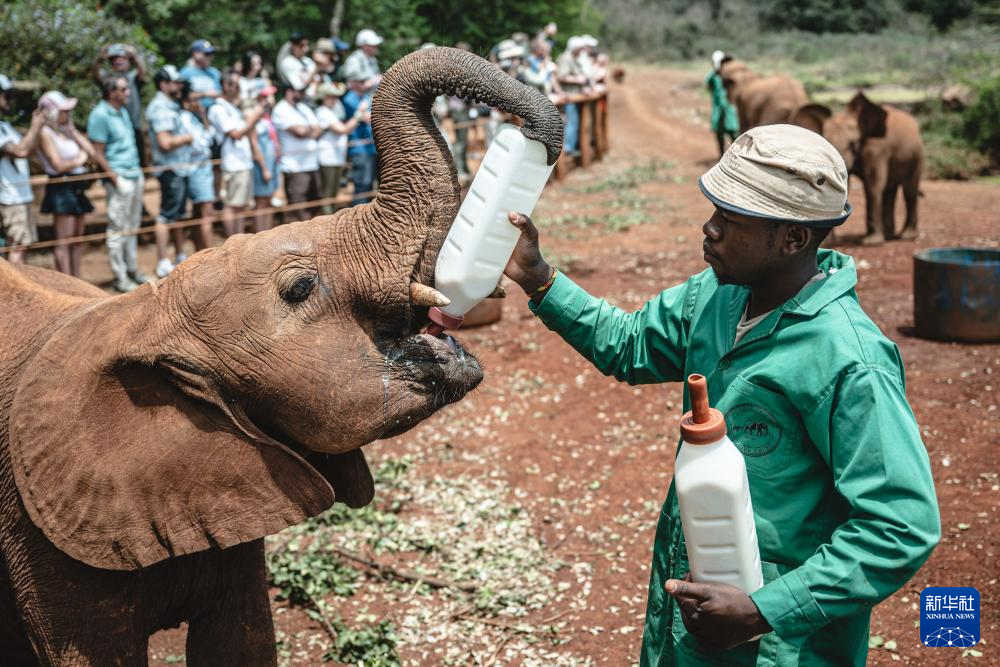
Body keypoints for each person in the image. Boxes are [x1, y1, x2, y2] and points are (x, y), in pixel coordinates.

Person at [502, 125, 940, 666]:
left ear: (793, 238)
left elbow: (901, 524)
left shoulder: (848, 359)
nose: (708, 228)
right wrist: (540, 278)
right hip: (690, 620)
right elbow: (630, 344)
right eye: (715, 210)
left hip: (780, 646)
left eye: (731, 220)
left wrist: (765, 609)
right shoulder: (716, 295)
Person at [88, 74, 149, 292]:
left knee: (132, 227)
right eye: (123, 89)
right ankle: (120, 275)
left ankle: (132, 269)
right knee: (117, 229)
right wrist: (115, 179)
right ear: (111, 92)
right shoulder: (99, 115)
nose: (128, 93)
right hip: (120, 179)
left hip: (134, 174)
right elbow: (97, 153)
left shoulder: (122, 111)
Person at [36, 91, 96, 277]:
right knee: (64, 240)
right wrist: (80, 160)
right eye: (63, 111)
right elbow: (57, 165)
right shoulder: (45, 134)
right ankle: (67, 283)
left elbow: (91, 152)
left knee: (77, 238)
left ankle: (77, 280)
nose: (67, 114)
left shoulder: (65, 131)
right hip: (61, 187)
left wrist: (73, 132)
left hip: (76, 187)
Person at [146, 65, 194, 277]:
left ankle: (179, 255)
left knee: (179, 215)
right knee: (166, 215)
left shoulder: (170, 104)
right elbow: (164, 142)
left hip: (179, 168)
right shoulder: (160, 107)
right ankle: (163, 260)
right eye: (175, 82)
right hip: (170, 169)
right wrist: (186, 138)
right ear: (163, 84)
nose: (179, 86)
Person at [209, 70, 263, 236]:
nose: (238, 88)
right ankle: (233, 242)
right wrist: (255, 117)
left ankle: (237, 240)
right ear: (225, 85)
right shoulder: (218, 109)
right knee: (232, 205)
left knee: (240, 206)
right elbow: (236, 134)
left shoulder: (231, 107)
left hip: (242, 162)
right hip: (232, 164)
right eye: (234, 84)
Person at [0, 74, 45, 265]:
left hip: (19, 195)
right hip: (9, 198)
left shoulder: (5, 126)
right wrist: (35, 126)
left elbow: (29, 150)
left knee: (20, 246)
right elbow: (20, 151)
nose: (10, 100)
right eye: (6, 95)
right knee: (17, 248)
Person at [271, 82, 321, 221]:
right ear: (288, 91)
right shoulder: (280, 109)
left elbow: (318, 130)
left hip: (312, 163)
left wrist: (307, 130)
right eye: (299, 91)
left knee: (315, 202)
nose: (302, 94)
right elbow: (299, 132)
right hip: (294, 166)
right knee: (297, 207)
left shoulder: (303, 107)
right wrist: (308, 129)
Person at [92, 43, 148, 165]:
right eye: (115, 59)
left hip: (134, 125)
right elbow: (95, 74)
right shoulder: (108, 79)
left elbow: (143, 73)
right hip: (114, 126)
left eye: (123, 58)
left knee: (139, 159)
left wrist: (135, 56)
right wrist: (100, 58)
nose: (119, 61)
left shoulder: (132, 77)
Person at [315, 81, 366, 215]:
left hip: (334, 158)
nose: (334, 99)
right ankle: (326, 222)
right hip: (327, 158)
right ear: (324, 97)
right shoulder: (323, 112)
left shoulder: (329, 112)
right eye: (331, 96)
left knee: (332, 194)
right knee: (328, 194)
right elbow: (343, 130)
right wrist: (359, 114)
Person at [177, 81, 217, 245]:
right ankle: (210, 254)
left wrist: (203, 116)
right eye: (194, 99)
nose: (198, 103)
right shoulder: (184, 119)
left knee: (199, 213)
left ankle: (201, 249)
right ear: (186, 102)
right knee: (207, 212)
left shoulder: (195, 119)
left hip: (203, 168)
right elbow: (200, 144)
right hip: (196, 169)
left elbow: (209, 137)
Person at [248, 84, 279, 233]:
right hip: (261, 165)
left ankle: (268, 233)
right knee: (261, 202)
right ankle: (260, 235)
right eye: (267, 96)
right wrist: (264, 168)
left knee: (268, 200)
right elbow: (254, 144)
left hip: (271, 163)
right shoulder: (252, 115)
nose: (270, 99)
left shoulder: (266, 115)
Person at [341, 74, 376, 207]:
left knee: (368, 185)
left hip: (369, 148)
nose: (366, 83)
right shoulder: (349, 99)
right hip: (359, 149)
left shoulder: (365, 97)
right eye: (362, 81)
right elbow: (367, 117)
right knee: (362, 185)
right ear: (354, 83)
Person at [556, 37, 590, 156]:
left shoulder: (574, 58)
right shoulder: (566, 58)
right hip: (568, 97)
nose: (582, 51)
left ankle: (572, 148)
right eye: (580, 48)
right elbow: (561, 76)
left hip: (575, 96)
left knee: (574, 122)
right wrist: (578, 80)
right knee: (570, 122)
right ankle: (568, 150)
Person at [708, 50, 739, 159]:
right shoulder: (713, 76)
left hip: (729, 106)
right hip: (718, 107)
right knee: (719, 132)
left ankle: (736, 157)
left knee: (733, 132)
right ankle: (721, 156)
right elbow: (709, 86)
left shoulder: (731, 75)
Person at [180, 40, 222, 111]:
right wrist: (204, 94)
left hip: (215, 109)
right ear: (195, 53)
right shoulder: (185, 73)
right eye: (206, 54)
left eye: (211, 53)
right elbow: (183, 96)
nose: (210, 56)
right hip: (193, 112)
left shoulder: (215, 72)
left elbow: (220, 92)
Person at [342, 29, 383, 93]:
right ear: (364, 46)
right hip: (358, 100)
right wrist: (371, 82)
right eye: (373, 45)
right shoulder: (354, 60)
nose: (376, 47)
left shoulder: (372, 59)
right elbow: (351, 84)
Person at [278, 32, 317, 96]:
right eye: (302, 45)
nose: (306, 49)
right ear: (293, 46)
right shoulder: (287, 62)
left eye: (307, 45)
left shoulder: (308, 61)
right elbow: (299, 87)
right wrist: (317, 68)